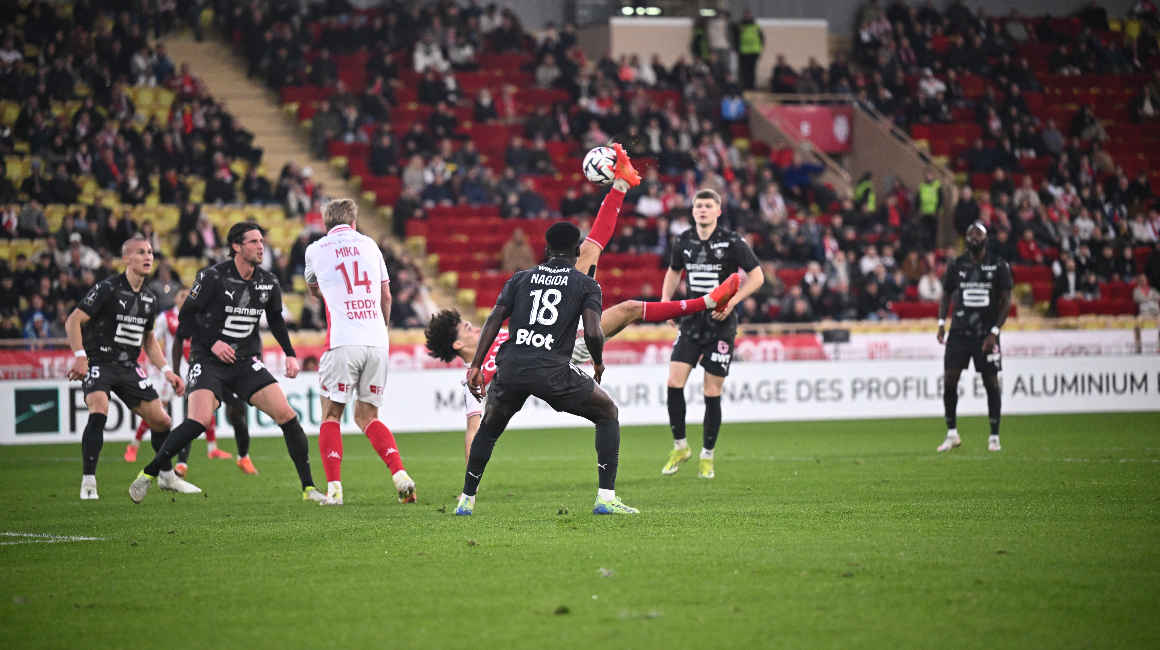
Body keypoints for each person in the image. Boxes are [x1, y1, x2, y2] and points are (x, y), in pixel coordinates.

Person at [425, 145, 739, 465]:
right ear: (457, 344)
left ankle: (621, 183)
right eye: (467, 327)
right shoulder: (474, 376)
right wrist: (470, 471)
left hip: (559, 327)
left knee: (587, 251)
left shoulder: (489, 345)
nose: (474, 326)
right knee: (629, 307)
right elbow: (472, 427)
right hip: (565, 349)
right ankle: (708, 301)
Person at [129, 222, 325, 503]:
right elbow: (186, 318)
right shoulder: (212, 277)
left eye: (262, 241)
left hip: (245, 361)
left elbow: (277, 319)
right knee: (198, 421)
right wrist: (213, 341)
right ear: (236, 247)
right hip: (208, 360)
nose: (261, 246)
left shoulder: (268, 281)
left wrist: (290, 353)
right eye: (253, 242)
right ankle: (148, 474)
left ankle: (308, 489)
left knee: (288, 417)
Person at [454, 221, 637, 516]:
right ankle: (605, 498)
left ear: (546, 249)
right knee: (607, 414)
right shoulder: (586, 284)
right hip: (552, 371)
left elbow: (493, 319)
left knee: (488, 430)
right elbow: (592, 333)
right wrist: (598, 361)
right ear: (578, 250)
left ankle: (466, 499)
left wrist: (475, 364)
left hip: (511, 367)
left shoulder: (520, 278)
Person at [65, 236, 196, 500]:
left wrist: (168, 371)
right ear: (126, 259)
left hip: (128, 366)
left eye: (150, 252)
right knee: (99, 409)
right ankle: (89, 482)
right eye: (140, 252)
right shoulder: (107, 289)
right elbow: (73, 321)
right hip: (99, 361)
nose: (148, 257)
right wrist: (80, 356)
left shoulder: (149, 298)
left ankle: (167, 477)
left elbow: (148, 340)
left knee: (162, 421)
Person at [305, 199, 415, 506]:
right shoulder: (370, 245)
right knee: (368, 416)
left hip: (342, 340)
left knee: (331, 415)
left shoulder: (315, 249)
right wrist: (382, 329)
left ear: (325, 225)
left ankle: (335, 490)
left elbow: (315, 290)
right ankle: (400, 475)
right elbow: (387, 296)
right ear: (353, 223)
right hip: (377, 340)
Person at [661, 188, 764, 479]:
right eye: (698, 205)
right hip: (692, 323)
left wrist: (732, 302)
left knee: (711, 390)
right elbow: (673, 271)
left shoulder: (732, 241)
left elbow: (757, 276)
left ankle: (707, 455)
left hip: (720, 326)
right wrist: (667, 303)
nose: (703, 210)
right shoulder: (683, 240)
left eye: (708, 206)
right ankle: (680, 446)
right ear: (692, 211)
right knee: (673, 381)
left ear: (718, 211)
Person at [125, 288, 254, 476]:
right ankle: (134, 445)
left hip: (197, 370)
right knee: (158, 410)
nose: (186, 299)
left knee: (200, 410)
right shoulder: (166, 317)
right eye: (182, 296)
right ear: (176, 298)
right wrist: (159, 366)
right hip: (172, 373)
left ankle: (209, 449)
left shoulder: (200, 317)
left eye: (189, 296)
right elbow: (150, 340)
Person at [936, 222, 1013, 453]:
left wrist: (994, 332)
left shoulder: (998, 265)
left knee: (991, 382)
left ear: (986, 239)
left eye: (978, 233)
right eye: (970, 234)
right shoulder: (957, 264)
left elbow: (1007, 301)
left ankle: (994, 436)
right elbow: (947, 293)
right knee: (950, 379)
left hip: (986, 334)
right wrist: (941, 323)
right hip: (959, 331)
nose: (974, 237)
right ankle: (952, 434)